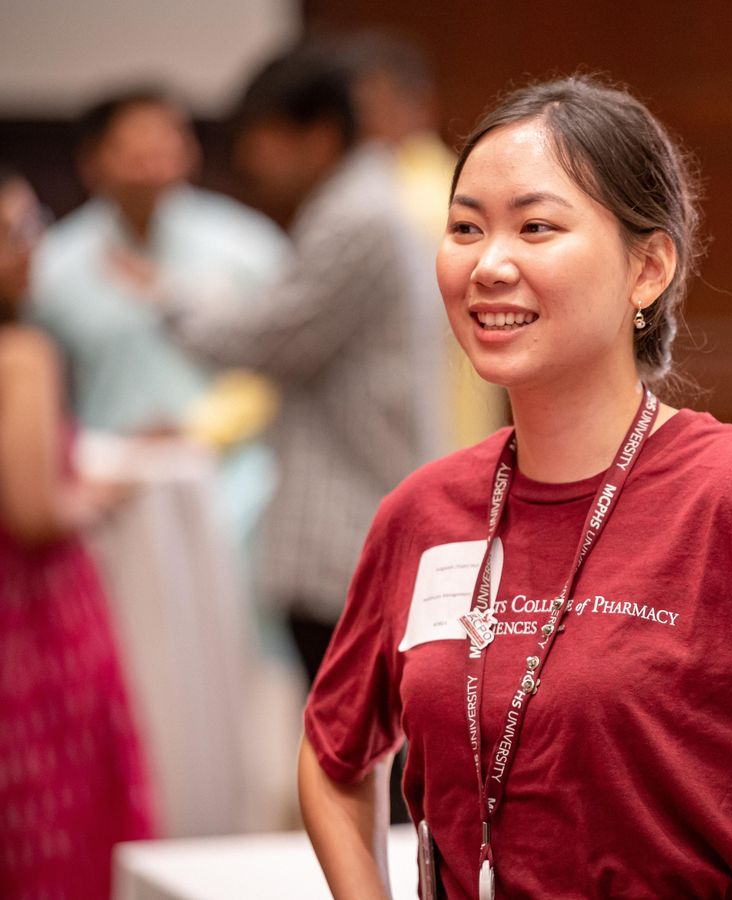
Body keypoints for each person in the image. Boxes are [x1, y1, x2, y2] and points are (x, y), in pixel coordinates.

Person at [298, 75, 732, 899]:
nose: (489, 264)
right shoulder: (424, 512)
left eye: (536, 227)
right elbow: (332, 755)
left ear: (648, 269)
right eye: (465, 228)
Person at [132, 46, 448, 685]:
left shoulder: (356, 217)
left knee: (355, 757)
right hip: (352, 517)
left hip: (349, 528)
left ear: (320, 135)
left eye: (264, 137)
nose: (251, 158)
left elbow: (269, 338)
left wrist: (166, 299)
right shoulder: (361, 203)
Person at [29, 87, 285, 548]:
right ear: (94, 160)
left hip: (235, 490)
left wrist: (200, 428)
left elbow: (284, 365)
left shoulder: (248, 247)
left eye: (166, 139)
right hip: (106, 491)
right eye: (134, 143)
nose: (152, 157)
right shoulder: (52, 266)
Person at [0, 166, 153, 899]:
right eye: (14, 232)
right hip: (33, 627)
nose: (33, 248)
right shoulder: (21, 356)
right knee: (53, 823)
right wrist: (96, 497)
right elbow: (34, 514)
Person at [343, 31, 507, 452]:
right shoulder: (445, 185)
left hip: (414, 419)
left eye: (369, 108)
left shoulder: (410, 197)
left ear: (418, 105)